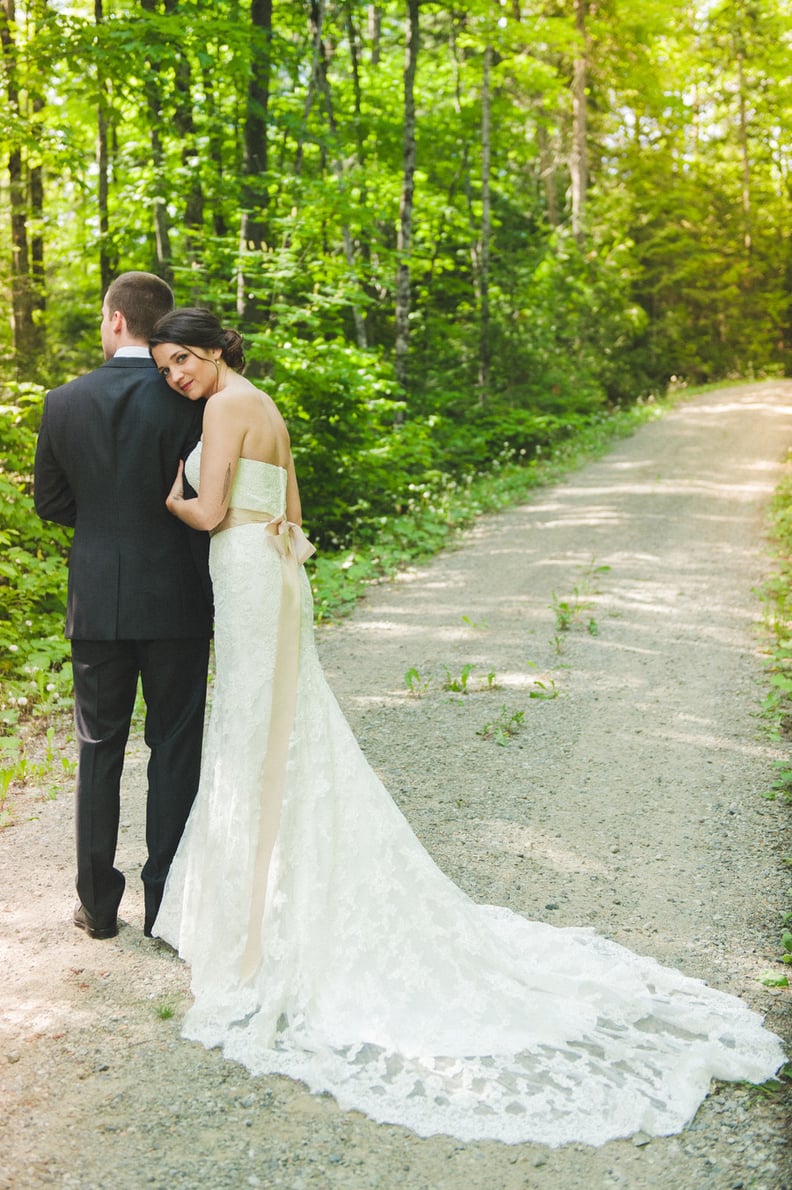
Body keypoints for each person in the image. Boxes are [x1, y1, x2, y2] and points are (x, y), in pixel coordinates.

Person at [149, 306, 784, 1147]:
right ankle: (265, 891)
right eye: (163, 368)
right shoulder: (266, 403)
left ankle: (256, 919)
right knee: (279, 730)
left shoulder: (223, 409)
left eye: (182, 360)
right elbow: (294, 513)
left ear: (216, 349)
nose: (175, 378)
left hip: (241, 568)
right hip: (275, 574)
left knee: (254, 731)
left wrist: (175, 496)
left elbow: (214, 510)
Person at [34, 274, 213, 941]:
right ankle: (165, 904)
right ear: (159, 326)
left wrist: (105, 533)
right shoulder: (191, 398)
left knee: (98, 747)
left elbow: (49, 503)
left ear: (115, 320)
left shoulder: (63, 402)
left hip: (98, 601)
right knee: (173, 747)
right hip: (177, 601)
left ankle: (98, 905)